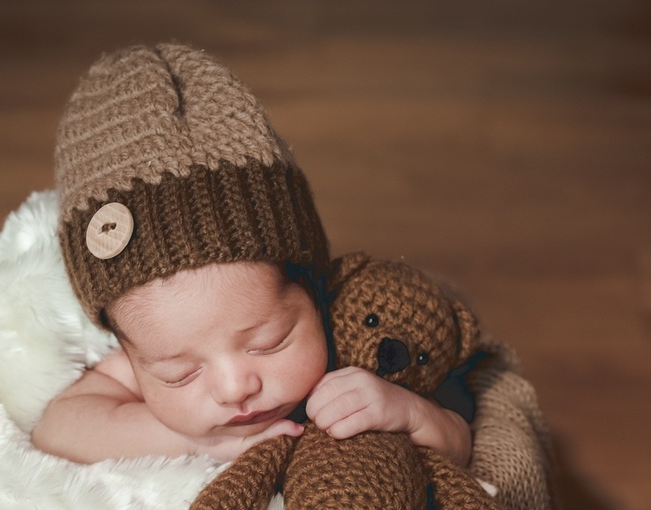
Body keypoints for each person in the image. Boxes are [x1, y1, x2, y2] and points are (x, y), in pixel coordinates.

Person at [32, 43, 472, 467]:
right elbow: (57, 428)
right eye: (179, 375)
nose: (234, 388)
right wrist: (191, 441)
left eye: (267, 344)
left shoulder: (355, 342)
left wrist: (411, 413)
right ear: (130, 353)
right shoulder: (145, 356)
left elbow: (461, 445)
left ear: (313, 290)